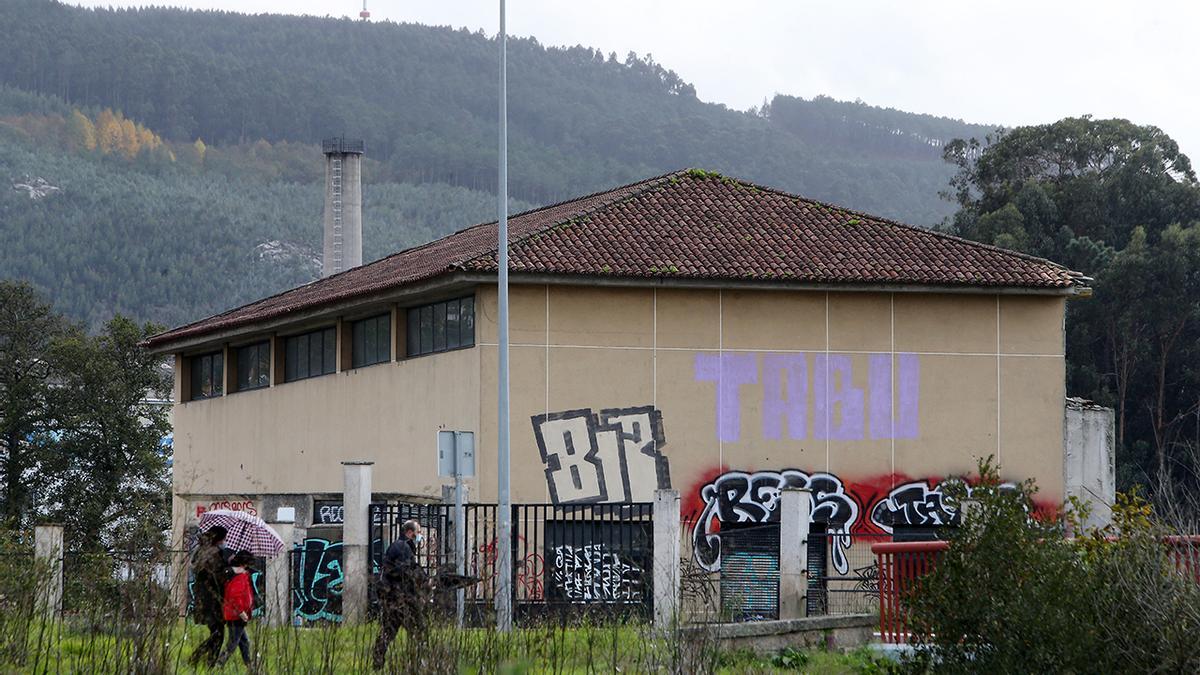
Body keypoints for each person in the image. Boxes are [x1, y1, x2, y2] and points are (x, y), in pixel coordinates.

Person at [372, 519, 428, 670]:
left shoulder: (400, 546)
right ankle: (418, 662)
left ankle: (377, 663)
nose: (420, 536)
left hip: (393, 598)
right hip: (401, 599)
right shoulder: (403, 548)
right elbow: (404, 573)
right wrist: (420, 583)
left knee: (388, 631)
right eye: (418, 532)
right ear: (410, 533)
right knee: (418, 630)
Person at [189, 526, 232, 667]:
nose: (224, 541)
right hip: (213, 598)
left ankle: (205, 660)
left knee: (216, 631)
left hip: (202, 596)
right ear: (219, 538)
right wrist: (228, 567)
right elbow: (218, 576)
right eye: (224, 538)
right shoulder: (215, 554)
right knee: (218, 633)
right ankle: (203, 659)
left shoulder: (200, 550)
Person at [216, 550, 257, 668]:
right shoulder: (240, 576)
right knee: (233, 643)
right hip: (236, 614)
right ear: (244, 563)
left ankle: (249, 665)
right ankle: (220, 663)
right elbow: (235, 596)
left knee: (244, 642)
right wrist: (241, 612)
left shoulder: (234, 574)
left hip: (233, 613)